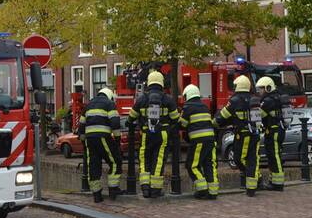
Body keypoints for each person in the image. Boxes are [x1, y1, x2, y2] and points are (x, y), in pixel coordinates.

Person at [128, 70, 179, 198]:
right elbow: (175, 119)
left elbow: (131, 117)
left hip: (146, 133)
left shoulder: (142, 99)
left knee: (144, 159)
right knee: (159, 160)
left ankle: (145, 188)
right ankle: (156, 190)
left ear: (149, 82)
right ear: (161, 83)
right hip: (163, 135)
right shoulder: (168, 99)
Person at [215, 74, 262, 196]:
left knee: (239, 159)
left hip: (242, 135)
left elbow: (223, 116)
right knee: (252, 158)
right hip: (255, 134)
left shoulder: (235, 100)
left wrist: (213, 122)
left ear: (238, 86)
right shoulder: (254, 98)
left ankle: (255, 179)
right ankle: (253, 186)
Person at [78, 86, 123, 203]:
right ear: (110, 96)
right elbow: (115, 122)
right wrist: (117, 140)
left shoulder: (88, 105)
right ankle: (113, 190)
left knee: (93, 166)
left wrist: (83, 141)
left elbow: (81, 125)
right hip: (103, 138)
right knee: (115, 161)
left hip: (89, 140)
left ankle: (97, 195)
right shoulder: (109, 104)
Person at [179, 84, 219, 199]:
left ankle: (202, 190)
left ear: (187, 95)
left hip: (198, 141)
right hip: (211, 140)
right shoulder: (205, 106)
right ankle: (213, 192)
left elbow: (182, 124)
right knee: (209, 165)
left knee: (191, 165)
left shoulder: (188, 107)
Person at [258, 76, 286, 191]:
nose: (260, 91)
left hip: (274, 131)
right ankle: (273, 181)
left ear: (268, 88)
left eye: (261, 88)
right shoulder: (277, 97)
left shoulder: (268, 101)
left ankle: (278, 184)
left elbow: (259, 114)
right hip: (277, 130)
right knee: (273, 155)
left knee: (274, 156)